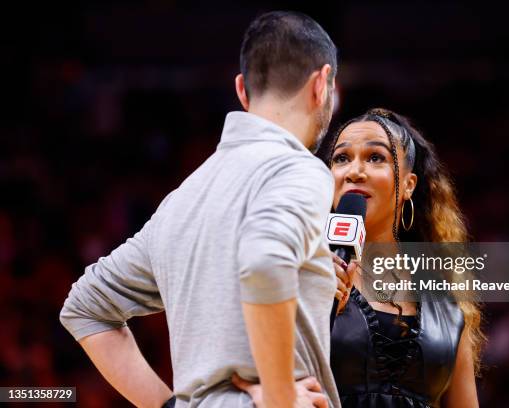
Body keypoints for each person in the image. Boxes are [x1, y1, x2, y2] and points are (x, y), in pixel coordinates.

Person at [60, 11, 342, 408]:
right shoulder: (301, 170)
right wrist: (279, 397)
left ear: (243, 91)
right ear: (320, 86)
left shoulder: (182, 199)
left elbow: (85, 308)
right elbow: (265, 262)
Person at [322, 108, 485, 407]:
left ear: (408, 185)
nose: (354, 171)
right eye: (341, 158)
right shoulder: (305, 277)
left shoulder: (447, 304)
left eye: (375, 158)